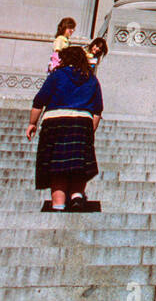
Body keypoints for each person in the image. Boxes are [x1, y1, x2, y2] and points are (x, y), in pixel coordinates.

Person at [27, 45, 103, 211]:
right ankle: (76, 196)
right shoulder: (91, 78)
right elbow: (97, 110)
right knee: (79, 165)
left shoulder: (57, 75)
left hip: (56, 122)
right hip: (81, 123)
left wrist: (32, 123)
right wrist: (91, 131)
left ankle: (58, 205)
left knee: (57, 168)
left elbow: (39, 101)